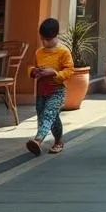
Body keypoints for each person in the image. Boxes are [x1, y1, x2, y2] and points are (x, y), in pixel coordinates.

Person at [26, 17, 75, 156]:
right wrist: (33, 71)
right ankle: (58, 141)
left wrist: (54, 73)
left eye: (49, 39)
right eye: (43, 39)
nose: (45, 42)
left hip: (57, 89)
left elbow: (69, 70)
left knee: (48, 114)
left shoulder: (63, 52)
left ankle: (38, 140)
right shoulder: (39, 52)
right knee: (46, 115)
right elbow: (31, 66)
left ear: (56, 36)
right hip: (41, 89)